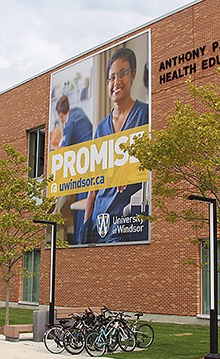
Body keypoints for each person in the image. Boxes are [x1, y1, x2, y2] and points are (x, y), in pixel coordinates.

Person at [80, 47, 149, 244]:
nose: (116, 82)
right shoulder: (101, 128)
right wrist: (86, 225)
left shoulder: (145, 114)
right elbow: (94, 184)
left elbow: (153, 161)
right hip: (99, 221)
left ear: (133, 74)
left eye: (123, 74)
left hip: (126, 220)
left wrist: (131, 166)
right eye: (111, 77)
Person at [54, 95, 94, 244]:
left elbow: (64, 151)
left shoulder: (70, 123)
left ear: (60, 115)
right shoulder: (78, 111)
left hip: (86, 166)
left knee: (80, 203)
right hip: (92, 162)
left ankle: (79, 241)